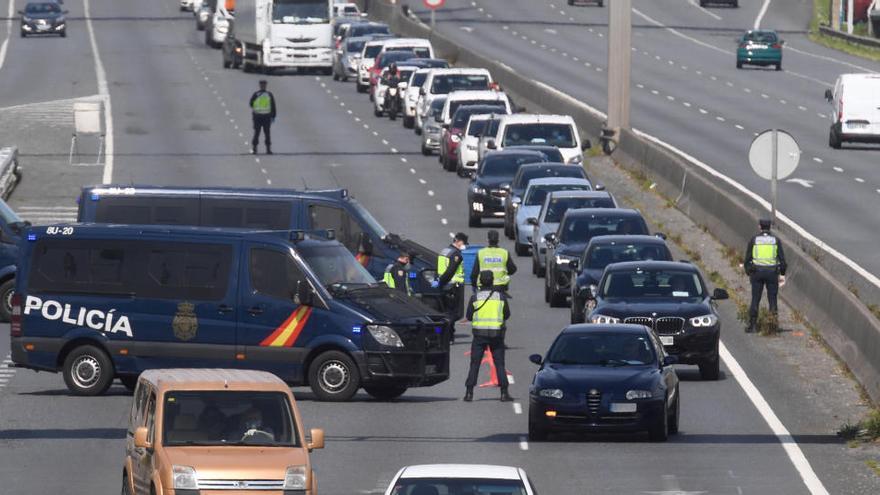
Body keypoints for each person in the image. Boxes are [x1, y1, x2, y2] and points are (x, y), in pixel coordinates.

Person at [464, 271, 512, 402]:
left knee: (475, 364)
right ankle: (504, 393)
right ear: (492, 281)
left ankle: (469, 393)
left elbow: (468, 316)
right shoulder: (500, 297)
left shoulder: (475, 297)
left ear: (480, 281)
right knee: (499, 364)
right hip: (496, 335)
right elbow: (507, 314)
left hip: (479, 335)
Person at [743, 218, 787, 333]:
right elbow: (783, 261)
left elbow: (747, 259)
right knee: (772, 300)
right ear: (770, 227)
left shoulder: (754, 240)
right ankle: (773, 326)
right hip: (772, 273)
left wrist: (749, 272)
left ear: (760, 227)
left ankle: (752, 326)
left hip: (757, 272)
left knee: (755, 298)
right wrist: (782, 273)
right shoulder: (775, 240)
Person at [437, 233, 468, 326]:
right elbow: (450, 271)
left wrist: (439, 283)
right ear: (458, 241)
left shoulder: (445, 251)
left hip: (445, 285)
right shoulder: (456, 255)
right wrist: (441, 282)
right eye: (464, 243)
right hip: (453, 286)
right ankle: (448, 334)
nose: (464, 245)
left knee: (446, 312)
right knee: (455, 314)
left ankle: (445, 333)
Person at [249, 80, 276, 155]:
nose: (263, 86)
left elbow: (273, 105)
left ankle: (268, 149)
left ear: (266, 85)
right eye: (261, 85)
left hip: (266, 117)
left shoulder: (269, 94)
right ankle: (254, 148)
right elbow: (251, 103)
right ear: (259, 85)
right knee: (257, 133)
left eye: (264, 85)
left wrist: (273, 116)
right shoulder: (256, 94)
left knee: (267, 133)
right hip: (257, 117)